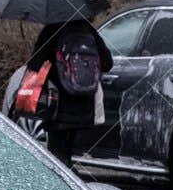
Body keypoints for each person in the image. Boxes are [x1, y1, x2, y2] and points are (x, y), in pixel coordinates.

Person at [27, 17, 112, 164]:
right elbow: (107, 63)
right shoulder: (87, 29)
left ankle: (59, 183)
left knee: (56, 153)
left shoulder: (52, 30)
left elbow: (35, 64)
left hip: (57, 105)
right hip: (84, 105)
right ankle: (68, 178)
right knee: (67, 151)